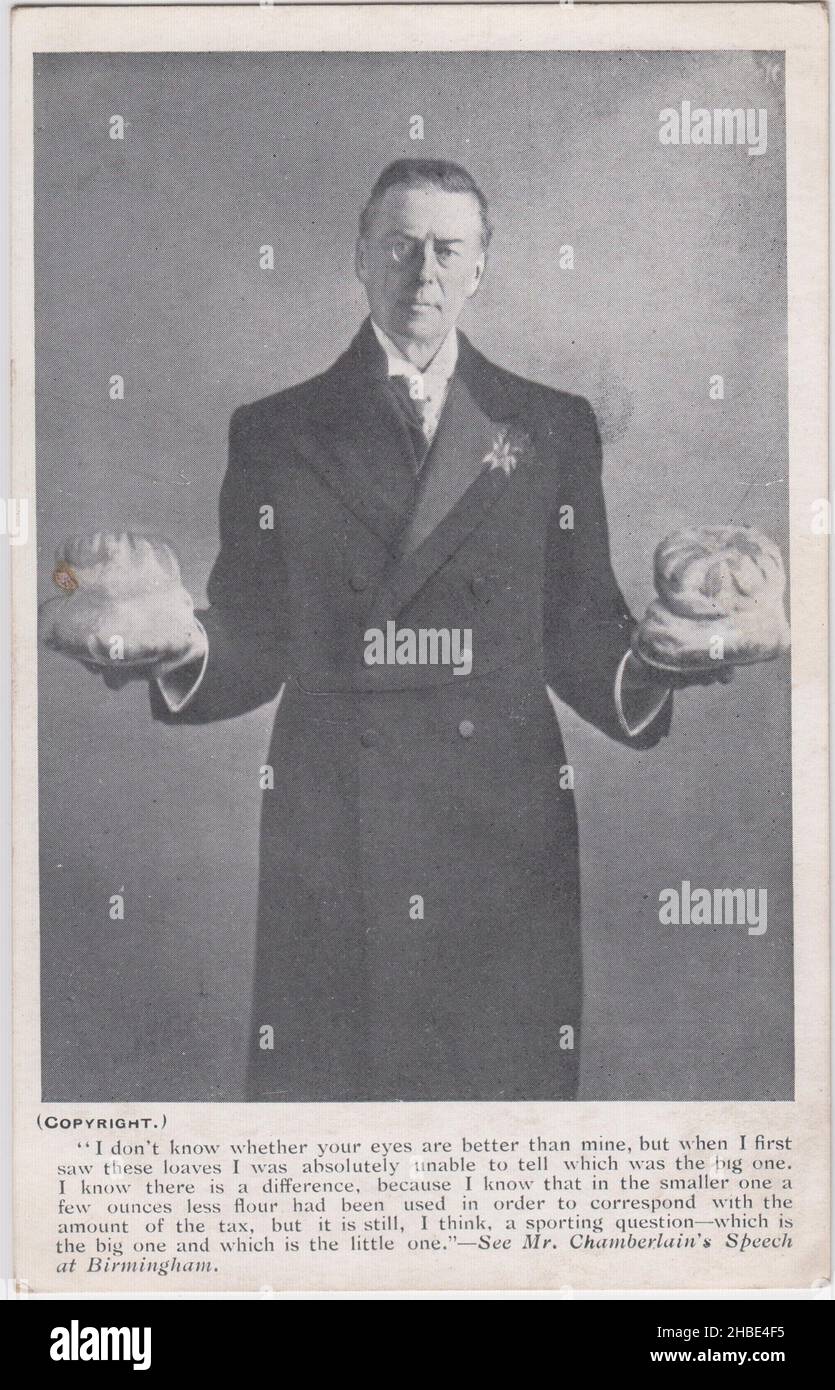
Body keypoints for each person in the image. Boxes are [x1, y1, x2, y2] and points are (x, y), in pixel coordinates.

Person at [44, 159, 741, 1103]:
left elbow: (577, 631)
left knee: (503, 1111)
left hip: (504, 828)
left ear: (482, 266)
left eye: (449, 250)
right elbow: (253, 630)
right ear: (360, 258)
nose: (425, 274)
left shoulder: (550, 426)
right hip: (335, 825)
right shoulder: (276, 430)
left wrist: (665, 652)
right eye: (401, 247)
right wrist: (178, 644)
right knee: (335, 1105)